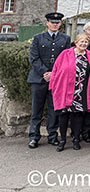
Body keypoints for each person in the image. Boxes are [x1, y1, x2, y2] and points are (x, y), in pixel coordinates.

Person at [27, 12, 70, 148]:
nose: (55, 24)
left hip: (56, 80)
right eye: (52, 22)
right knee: (37, 110)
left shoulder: (65, 39)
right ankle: (34, 136)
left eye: (57, 23)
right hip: (38, 79)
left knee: (53, 109)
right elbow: (34, 58)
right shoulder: (38, 38)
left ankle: (52, 135)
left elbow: (66, 59)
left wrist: (54, 74)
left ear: (60, 24)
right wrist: (45, 72)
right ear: (47, 23)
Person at [49, 33, 90, 151]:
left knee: (78, 116)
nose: (83, 44)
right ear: (76, 42)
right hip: (65, 90)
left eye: (86, 42)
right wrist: (53, 86)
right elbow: (55, 69)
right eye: (81, 41)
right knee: (63, 116)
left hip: (81, 91)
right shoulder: (66, 54)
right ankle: (63, 140)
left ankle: (76, 139)